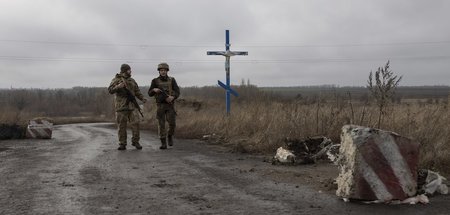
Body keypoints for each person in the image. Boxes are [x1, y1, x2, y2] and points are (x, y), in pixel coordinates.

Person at [108, 63, 147, 150]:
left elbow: (137, 91)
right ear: (125, 71)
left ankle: (135, 142)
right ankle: (122, 143)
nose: (130, 71)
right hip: (121, 106)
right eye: (129, 70)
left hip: (132, 106)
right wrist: (118, 86)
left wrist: (142, 98)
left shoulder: (132, 80)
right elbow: (110, 90)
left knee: (136, 123)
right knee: (122, 126)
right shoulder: (116, 79)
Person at [148, 62, 180, 149]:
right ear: (159, 71)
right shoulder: (155, 81)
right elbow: (149, 93)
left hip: (170, 105)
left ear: (167, 71)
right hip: (160, 105)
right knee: (161, 124)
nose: (163, 72)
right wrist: (154, 90)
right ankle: (163, 142)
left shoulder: (172, 80)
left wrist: (172, 97)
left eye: (164, 70)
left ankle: (169, 136)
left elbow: (177, 91)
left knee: (172, 124)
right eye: (161, 70)